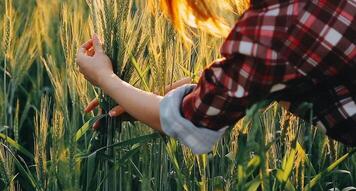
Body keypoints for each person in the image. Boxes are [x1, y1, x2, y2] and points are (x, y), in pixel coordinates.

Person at [76, 0, 356, 154]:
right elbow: (275, 72)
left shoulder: (272, 32)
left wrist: (105, 78)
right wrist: (142, 101)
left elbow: (187, 120)